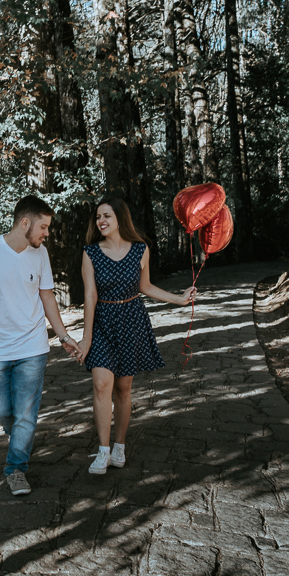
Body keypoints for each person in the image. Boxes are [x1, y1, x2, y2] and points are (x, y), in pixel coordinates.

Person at [0, 195, 79, 496]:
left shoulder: (40, 254)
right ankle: (21, 439)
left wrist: (63, 336)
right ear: (25, 223)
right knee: (1, 409)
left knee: (26, 413)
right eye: (43, 227)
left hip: (33, 348)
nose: (46, 233)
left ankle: (15, 469)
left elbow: (47, 296)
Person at [75, 197, 195, 475]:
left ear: (120, 218)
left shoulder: (140, 250)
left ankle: (119, 445)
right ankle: (103, 451)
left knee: (123, 388)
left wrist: (179, 299)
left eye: (106, 216)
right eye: (98, 217)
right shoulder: (90, 252)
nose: (101, 221)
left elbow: (146, 286)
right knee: (102, 383)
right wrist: (87, 338)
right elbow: (90, 296)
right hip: (103, 322)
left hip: (131, 321)